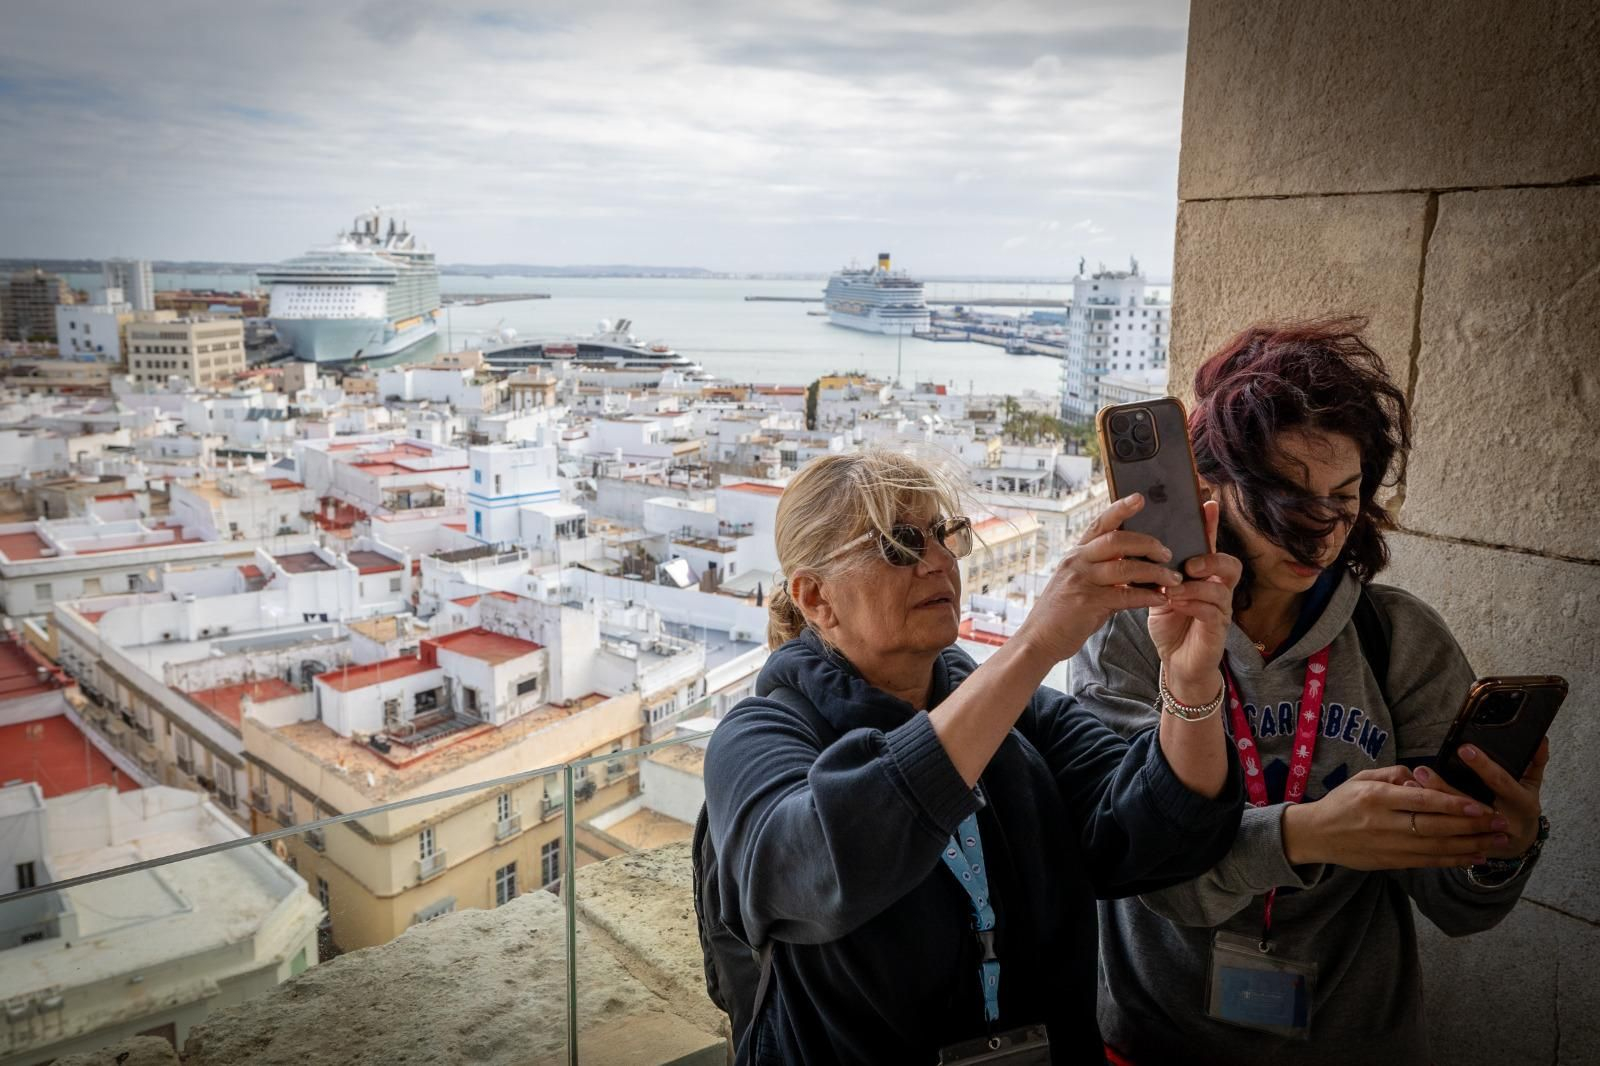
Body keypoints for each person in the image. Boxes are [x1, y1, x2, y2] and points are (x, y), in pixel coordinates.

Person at [1074, 320, 1552, 1065]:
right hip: (1157, 1036)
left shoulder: (1397, 641)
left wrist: (1495, 852)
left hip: (1354, 1039)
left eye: (1345, 496)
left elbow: (1457, 907)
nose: (1322, 533)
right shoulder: (1132, 635)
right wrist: (1306, 834)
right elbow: (1145, 870)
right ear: (1211, 487)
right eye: (1287, 498)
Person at [704, 448, 1246, 1065]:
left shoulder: (1024, 716)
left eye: (944, 535)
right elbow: (824, 863)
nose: (938, 562)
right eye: (900, 545)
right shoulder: (759, 735)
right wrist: (1036, 641)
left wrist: (1189, 680)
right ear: (816, 598)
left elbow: (1160, 834)